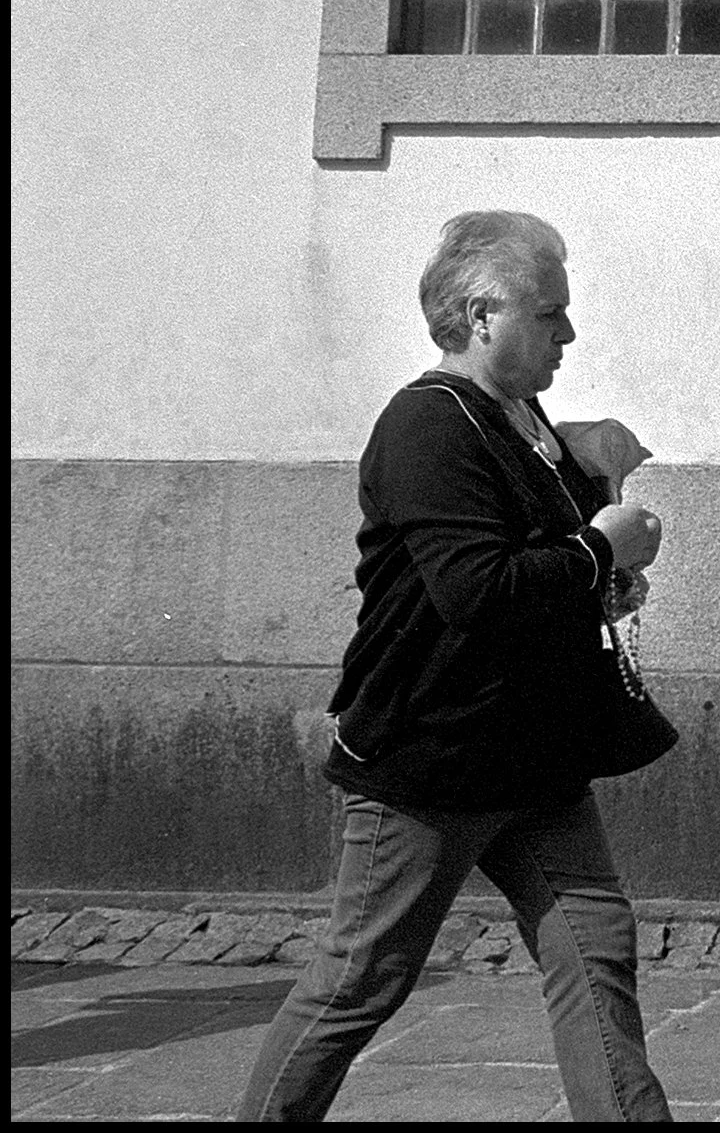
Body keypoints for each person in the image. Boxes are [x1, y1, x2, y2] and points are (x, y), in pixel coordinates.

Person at [237, 211, 673, 1122]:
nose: (568, 333)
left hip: (531, 753)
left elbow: (532, 565)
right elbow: (478, 590)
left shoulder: (517, 419)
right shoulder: (425, 425)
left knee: (594, 949)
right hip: (427, 761)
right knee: (363, 978)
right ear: (483, 316)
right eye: (549, 314)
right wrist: (600, 550)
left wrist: (597, 538)